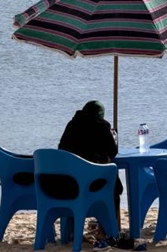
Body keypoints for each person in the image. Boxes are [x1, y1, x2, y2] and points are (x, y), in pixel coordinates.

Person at [57, 100, 122, 244]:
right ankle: (103, 231)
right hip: (94, 185)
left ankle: (73, 232)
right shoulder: (102, 127)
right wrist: (112, 137)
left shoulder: (72, 125)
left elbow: (61, 148)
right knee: (114, 189)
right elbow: (113, 152)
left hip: (69, 185)